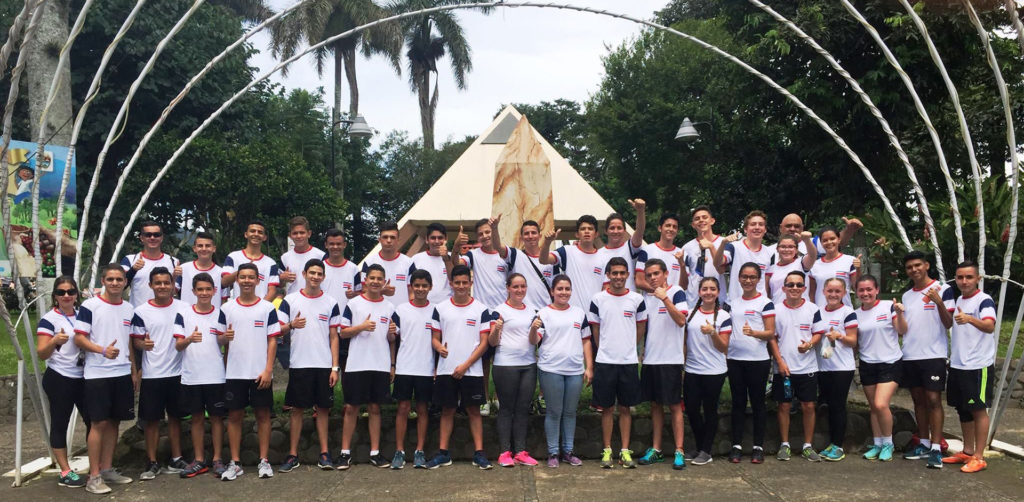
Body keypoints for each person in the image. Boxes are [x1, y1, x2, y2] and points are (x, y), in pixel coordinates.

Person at [73, 264, 137, 494]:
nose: (115, 283)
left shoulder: (129, 309)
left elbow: (128, 340)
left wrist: (133, 369)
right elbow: (79, 338)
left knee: (114, 422)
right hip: (97, 374)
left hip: (121, 373)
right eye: (110, 279)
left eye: (119, 279)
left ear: (125, 282)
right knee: (98, 423)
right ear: (103, 280)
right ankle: (94, 476)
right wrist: (102, 350)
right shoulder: (90, 306)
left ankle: (108, 468)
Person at [425, 264, 494, 470]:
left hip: (471, 371)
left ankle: (479, 454)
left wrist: (465, 365)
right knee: (447, 410)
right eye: (458, 282)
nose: (461, 286)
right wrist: (439, 348)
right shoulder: (441, 308)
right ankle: (443, 453)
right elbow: (434, 339)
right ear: (451, 283)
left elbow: (484, 344)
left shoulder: (481, 309)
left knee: (473, 411)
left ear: (471, 284)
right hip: (447, 370)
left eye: (465, 282)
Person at [217, 262, 281, 481]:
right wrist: (224, 338)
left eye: (250, 277)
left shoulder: (267, 308)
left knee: (263, 415)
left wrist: (268, 370)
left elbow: (273, 340)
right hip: (234, 373)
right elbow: (218, 338)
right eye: (242, 277)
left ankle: (264, 460)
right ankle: (235, 463)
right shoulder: (226, 308)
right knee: (234, 416)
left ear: (257, 280)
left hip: (259, 373)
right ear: (237, 279)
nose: (246, 281)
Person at [277, 259, 341, 473]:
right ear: (304, 274)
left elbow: (334, 337)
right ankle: (292, 454)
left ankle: (324, 454)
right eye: (311, 272)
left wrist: (334, 368)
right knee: (297, 410)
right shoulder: (290, 300)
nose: (315, 277)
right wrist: (291, 325)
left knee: (323, 410)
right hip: (299, 364)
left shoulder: (331, 302)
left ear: (323, 277)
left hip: (323, 365)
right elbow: (278, 331)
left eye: (319, 273)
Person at [588, 257, 647, 469]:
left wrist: (629, 347)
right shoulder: (597, 299)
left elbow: (640, 327)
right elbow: (595, 331)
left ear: (627, 275)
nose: (619, 277)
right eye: (615, 273)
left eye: (622, 273)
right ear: (608, 275)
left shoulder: (637, 300)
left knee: (625, 408)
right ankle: (607, 451)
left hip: (628, 362)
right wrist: (605, 349)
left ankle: (624, 451)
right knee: (606, 408)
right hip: (605, 361)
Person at [530, 274, 593, 468]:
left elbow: (586, 340)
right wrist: (533, 329)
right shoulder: (543, 313)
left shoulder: (579, 313)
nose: (563, 292)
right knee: (554, 412)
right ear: (552, 291)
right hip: (550, 369)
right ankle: (553, 453)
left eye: (567, 289)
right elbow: (534, 341)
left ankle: (568, 451)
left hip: (574, 369)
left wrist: (589, 367)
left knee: (570, 412)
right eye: (559, 289)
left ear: (571, 291)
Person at [337, 264, 396, 470]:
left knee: (375, 408)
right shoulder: (353, 304)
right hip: (356, 365)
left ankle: (375, 452)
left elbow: (391, 339)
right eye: (372, 278)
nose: (375, 282)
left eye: (380, 279)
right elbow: (342, 333)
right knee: (351, 408)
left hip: (379, 365)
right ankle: (345, 453)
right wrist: (361, 327)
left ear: (384, 282)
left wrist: (392, 364)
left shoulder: (389, 307)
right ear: (365, 280)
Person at [131, 267, 189, 480]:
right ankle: (152, 462)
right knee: (152, 420)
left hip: (178, 373)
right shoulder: (141, 311)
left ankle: (176, 458)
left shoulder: (184, 308)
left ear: (173, 285)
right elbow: (135, 340)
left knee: (175, 418)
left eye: (167, 283)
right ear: (151, 285)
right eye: (158, 283)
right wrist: (142, 343)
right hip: (153, 373)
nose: (163, 287)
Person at [899, 251, 954, 468]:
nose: (914, 270)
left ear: (927, 265)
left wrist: (939, 302)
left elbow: (949, 323)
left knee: (933, 400)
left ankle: (935, 448)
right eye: (909, 267)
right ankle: (922, 443)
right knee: (918, 401)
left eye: (917, 265)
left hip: (934, 355)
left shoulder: (943, 289)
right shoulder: (906, 296)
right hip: (911, 355)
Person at [942, 260, 997, 473]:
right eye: (960, 277)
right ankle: (967, 450)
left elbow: (989, 326)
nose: (964, 281)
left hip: (977, 365)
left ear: (978, 279)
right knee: (963, 409)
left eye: (969, 277)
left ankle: (979, 456)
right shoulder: (958, 301)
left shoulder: (984, 300)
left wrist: (969, 319)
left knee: (978, 409)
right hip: (958, 365)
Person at [454, 216, 512, 416]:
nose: (485, 236)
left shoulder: (506, 254)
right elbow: (457, 265)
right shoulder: (473, 255)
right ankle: (485, 399)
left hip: (504, 312)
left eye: (488, 232)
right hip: (482, 313)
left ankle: (499, 398)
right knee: (484, 359)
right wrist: (455, 247)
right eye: (481, 234)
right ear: (477, 237)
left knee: (503, 359)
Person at [173, 272, 228, 478]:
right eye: (200, 289)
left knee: (216, 418)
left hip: (215, 375)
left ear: (214, 291)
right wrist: (189, 339)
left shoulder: (221, 313)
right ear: (193, 291)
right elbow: (178, 346)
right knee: (196, 418)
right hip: (192, 375)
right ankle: (198, 460)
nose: (204, 293)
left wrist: (226, 338)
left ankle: (217, 459)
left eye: (208, 289)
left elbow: (222, 342)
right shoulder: (184, 314)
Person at [636, 259, 689, 470]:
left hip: (671, 359)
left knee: (675, 405)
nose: (652, 278)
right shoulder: (646, 297)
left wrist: (665, 298)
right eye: (648, 275)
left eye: (656, 274)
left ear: (666, 274)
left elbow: (681, 320)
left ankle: (679, 450)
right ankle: (656, 449)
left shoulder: (677, 292)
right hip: (651, 359)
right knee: (655, 405)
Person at [36, 276, 89, 488]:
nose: (66, 296)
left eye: (70, 292)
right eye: (61, 292)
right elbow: (41, 353)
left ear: (76, 294)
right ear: (55, 296)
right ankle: (65, 470)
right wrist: (54, 341)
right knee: (60, 422)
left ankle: (97, 464)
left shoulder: (82, 315)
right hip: (59, 377)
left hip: (83, 375)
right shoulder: (49, 319)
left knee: (94, 420)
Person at [770, 271, 825, 462]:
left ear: (804, 288)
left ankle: (808, 446)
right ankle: (784, 444)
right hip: (784, 368)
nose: (794, 288)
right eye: (790, 285)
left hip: (808, 367)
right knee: (784, 406)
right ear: (784, 288)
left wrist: (809, 344)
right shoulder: (775, 309)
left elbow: (818, 333)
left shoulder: (812, 308)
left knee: (809, 406)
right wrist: (780, 361)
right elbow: (772, 338)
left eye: (798, 285)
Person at [725, 263, 775, 464]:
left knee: (757, 404)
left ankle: (758, 446)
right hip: (735, 359)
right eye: (744, 277)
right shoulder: (732, 303)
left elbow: (770, 332)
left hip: (758, 360)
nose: (748, 280)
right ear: (738, 278)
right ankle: (736, 445)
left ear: (758, 279)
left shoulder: (765, 303)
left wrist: (754, 333)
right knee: (737, 403)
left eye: (752, 277)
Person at [854, 275, 906, 462]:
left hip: (890, 362)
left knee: (881, 404)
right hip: (868, 363)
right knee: (873, 408)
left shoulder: (888, 306)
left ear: (877, 290)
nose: (866, 293)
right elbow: (856, 342)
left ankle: (888, 443)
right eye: (861, 290)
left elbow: (901, 330)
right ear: (857, 292)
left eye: (869, 289)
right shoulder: (855, 314)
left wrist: (899, 313)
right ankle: (877, 444)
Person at [489, 274, 539, 467]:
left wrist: (534, 329)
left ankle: (520, 451)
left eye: (523, 286)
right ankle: (504, 452)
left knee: (522, 408)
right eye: (515, 286)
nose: (519, 290)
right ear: (508, 288)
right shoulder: (499, 311)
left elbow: (534, 342)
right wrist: (496, 329)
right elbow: (493, 342)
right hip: (505, 365)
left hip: (528, 365)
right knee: (507, 408)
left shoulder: (532, 311)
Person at [391, 270, 437, 469]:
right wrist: (390, 334)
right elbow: (392, 339)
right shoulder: (400, 310)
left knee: (422, 409)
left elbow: (440, 340)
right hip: (404, 367)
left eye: (424, 286)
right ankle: (399, 451)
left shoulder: (436, 311)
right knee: (402, 408)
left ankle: (420, 451)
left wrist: (436, 367)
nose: (420, 289)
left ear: (430, 288)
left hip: (426, 368)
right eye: (416, 285)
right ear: (410, 286)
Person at [683, 277, 731, 466]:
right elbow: (685, 342)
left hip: (715, 371)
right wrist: (683, 364)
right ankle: (700, 446)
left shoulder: (724, 316)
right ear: (699, 292)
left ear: (718, 292)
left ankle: (706, 450)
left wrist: (713, 332)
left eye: (712, 289)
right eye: (705, 289)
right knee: (692, 409)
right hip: (692, 369)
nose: (708, 292)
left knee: (710, 410)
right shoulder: (690, 315)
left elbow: (723, 347)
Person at [815, 278, 859, 462]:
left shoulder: (848, 312)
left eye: (837, 291)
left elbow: (853, 340)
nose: (833, 295)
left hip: (842, 367)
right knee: (827, 405)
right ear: (824, 291)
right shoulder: (817, 312)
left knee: (838, 406)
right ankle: (831, 444)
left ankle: (838, 446)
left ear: (844, 293)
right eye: (830, 291)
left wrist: (839, 336)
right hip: (822, 367)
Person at [539, 215, 606, 311]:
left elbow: (605, 288)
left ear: (596, 234)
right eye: (583, 229)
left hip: (594, 315)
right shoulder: (567, 251)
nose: (586, 231)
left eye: (590, 229)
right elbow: (543, 260)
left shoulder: (603, 257)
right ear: (577, 234)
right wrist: (547, 242)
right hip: (571, 314)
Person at [320, 228, 361, 376]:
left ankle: (348, 399)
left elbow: (362, 295)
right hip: (323, 325)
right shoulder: (319, 268)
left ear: (344, 245)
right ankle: (326, 397)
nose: (335, 247)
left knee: (346, 365)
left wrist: (355, 294)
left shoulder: (353, 269)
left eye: (338, 244)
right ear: (326, 245)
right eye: (331, 244)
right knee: (324, 364)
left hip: (345, 326)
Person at [713, 210, 773, 301]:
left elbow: (768, 282)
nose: (757, 227)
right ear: (745, 229)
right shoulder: (734, 247)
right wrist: (723, 243)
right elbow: (717, 262)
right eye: (753, 224)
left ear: (765, 229)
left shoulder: (769, 252)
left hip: (759, 306)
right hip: (735, 304)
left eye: (761, 224)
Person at [121, 221, 179, 307]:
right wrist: (133, 270)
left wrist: (174, 277)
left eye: (156, 235)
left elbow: (174, 292)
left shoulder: (173, 262)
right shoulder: (129, 260)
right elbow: (120, 286)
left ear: (162, 238)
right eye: (148, 235)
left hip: (166, 315)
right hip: (138, 315)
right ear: (141, 238)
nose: (152, 238)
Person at [223, 220, 281, 301]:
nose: (256, 234)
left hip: (260, 310)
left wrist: (260, 308)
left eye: (260, 232)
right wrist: (242, 271)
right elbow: (224, 282)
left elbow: (272, 290)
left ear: (264, 237)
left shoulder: (271, 263)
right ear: (246, 234)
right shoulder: (233, 257)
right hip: (238, 309)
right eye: (252, 231)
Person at [597, 200, 646, 291]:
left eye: (619, 228)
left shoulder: (630, 247)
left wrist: (640, 211)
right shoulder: (598, 254)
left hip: (628, 301)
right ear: (606, 231)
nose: (616, 231)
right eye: (612, 228)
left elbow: (640, 231)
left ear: (624, 231)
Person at [362, 221, 414, 306]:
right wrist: (382, 291)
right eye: (385, 237)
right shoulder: (369, 262)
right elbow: (364, 290)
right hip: (375, 313)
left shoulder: (409, 263)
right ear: (379, 240)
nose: (389, 240)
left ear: (398, 240)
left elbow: (412, 293)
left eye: (392, 237)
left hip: (401, 315)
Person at [681, 206, 726, 303]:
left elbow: (723, 270)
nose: (701, 220)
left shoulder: (724, 243)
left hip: (718, 302)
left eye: (704, 217)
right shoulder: (686, 248)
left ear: (712, 221)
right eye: (697, 219)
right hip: (694, 302)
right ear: (693, 225)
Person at [771, 214, 863, 261]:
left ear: (802, 228)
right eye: (788, 226)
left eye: (796, 226)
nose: (792, 229)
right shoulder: (770, 251)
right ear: (780, 228)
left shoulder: (813, 243)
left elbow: (837, 241)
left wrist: (849, 229)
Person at [808, 226, 860, 308]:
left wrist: (858, 269)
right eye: (825, 240)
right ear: (821, 243)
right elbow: (811, 293)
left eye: (832, 239)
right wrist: (813, 312)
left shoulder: (850, 261)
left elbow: (857, 289)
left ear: (839, 239)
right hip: (821, 313)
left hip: (844, 314)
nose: (829, 242)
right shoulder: (814, 265)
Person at [635, 212, 686, 294]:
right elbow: (639, 281)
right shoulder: (646, 251)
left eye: (674, 227)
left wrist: (670, 296)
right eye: (668, 225)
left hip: (673, 304)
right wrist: (662, 293)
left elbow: (684, 286)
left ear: (677, 231)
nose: (671, 229)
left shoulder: (682, 254)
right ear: (660, 228)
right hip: (651, 303)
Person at [512, 220, 556, 312]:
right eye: (527, 233)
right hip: (523, 312)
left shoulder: (551, 258)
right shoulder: (516, 256)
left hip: (546, 311)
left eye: (533, 233)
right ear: (521, 237)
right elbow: (499, 247)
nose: (530, 236)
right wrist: (494, 228)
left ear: (540, 236)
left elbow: (556, 287)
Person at [278, 216, 326, 295]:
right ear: (290, 235)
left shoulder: (321, 256)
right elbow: (279, 286)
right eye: (295, 233)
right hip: (293, 303)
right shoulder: (285, 258)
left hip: (316, 301)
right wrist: (282, 278)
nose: (299, 236)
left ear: (309, 234)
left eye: (302, 232)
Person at [177, 231, 226, 308]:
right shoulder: (183, 269)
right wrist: (173, 276)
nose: (204, 249)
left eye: (207, 246)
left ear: (214, 249)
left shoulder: (222, 273)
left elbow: (224, 301)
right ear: (194, 248)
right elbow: (171, 292)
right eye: (200, 246)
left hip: (213, 318)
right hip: (187, 318)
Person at [765, 232, 817, 304]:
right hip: (778, 311)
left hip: (801, 311)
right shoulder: (770, 269)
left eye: (791, 247)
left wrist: (807, 241)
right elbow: (767, 294)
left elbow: (812, 255)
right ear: (777, 249)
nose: (786, 250)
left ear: (796, 250)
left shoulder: (801, 263)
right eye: (783, 247)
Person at [410, 222, 454, 303]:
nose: (437, 241)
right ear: (427, 239)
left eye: (440, 238)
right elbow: (410, 286)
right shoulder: (416, 259)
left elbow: (455, 280)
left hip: (447, 306)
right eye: (433, 238)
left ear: (446, 239)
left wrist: (446, 259)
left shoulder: (454, 257)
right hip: (423, 307)